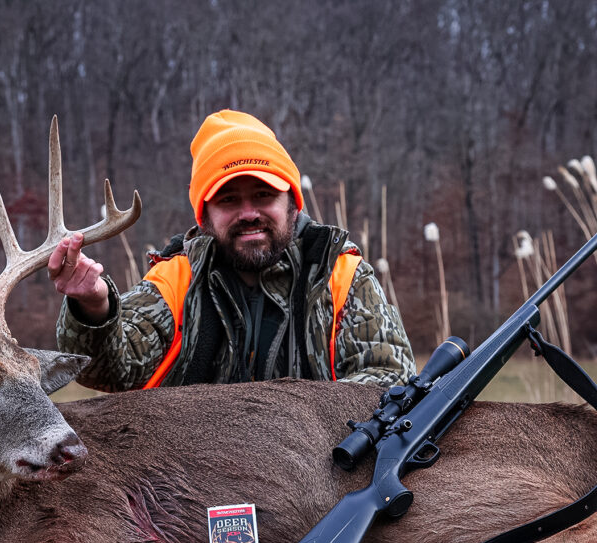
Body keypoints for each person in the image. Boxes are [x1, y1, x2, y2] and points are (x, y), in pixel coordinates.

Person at [49, 109, 414, 391]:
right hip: (195, 466)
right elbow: (112, 371)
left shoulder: (338, 275)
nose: (249, 213)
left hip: (319, 462)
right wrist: (94, 307)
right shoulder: (177, 280)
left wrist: (289, 426)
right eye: (228, 200)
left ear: (292, 202)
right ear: (204, 216)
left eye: (264, 195)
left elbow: (389, 377)